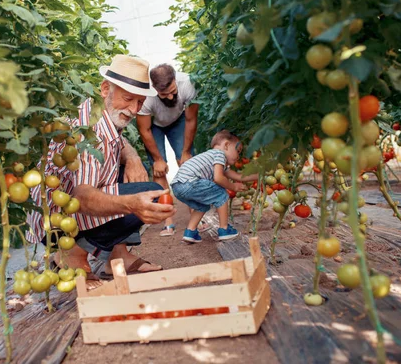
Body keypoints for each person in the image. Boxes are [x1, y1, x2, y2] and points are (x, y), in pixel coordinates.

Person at [26, 55, 175, 279]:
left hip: (66, 212)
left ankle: (119, 255)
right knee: (147, 195)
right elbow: (81, 197)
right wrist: (130, 204)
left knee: (137, 171)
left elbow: (118, 144)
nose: (134, 109)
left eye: (140, 103)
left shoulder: (97, 110)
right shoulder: (89, 133)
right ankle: (70, 256)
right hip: (55, 227)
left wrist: (132, 157)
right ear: (106, 89)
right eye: (128, 99)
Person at [136, 64, 199, 236]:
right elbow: (144, 129)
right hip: (154, 126)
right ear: (154, 88)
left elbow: (191, 119)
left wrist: (185, 152)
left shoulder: (187, 83)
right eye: (164, 94)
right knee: (159, 171)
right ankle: (168, 221)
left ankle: (195, 216)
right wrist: (158, 159)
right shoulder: (145, 96)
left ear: (175, 79)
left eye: (173, 91)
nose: (170, 96)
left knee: (187, 165)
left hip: (179, 121)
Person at [171, 130, 257, 243]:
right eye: (238, 151)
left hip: (178, 186)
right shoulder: (219, 154)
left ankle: (190, 232)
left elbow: (238, 176)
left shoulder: (216, 159)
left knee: (202, 205)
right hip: (190, 181)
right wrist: (233, 187)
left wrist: (258, 175)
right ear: (226, 145)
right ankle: (224, 230)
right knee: (222, 194)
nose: (238, 156)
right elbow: (218, 178)